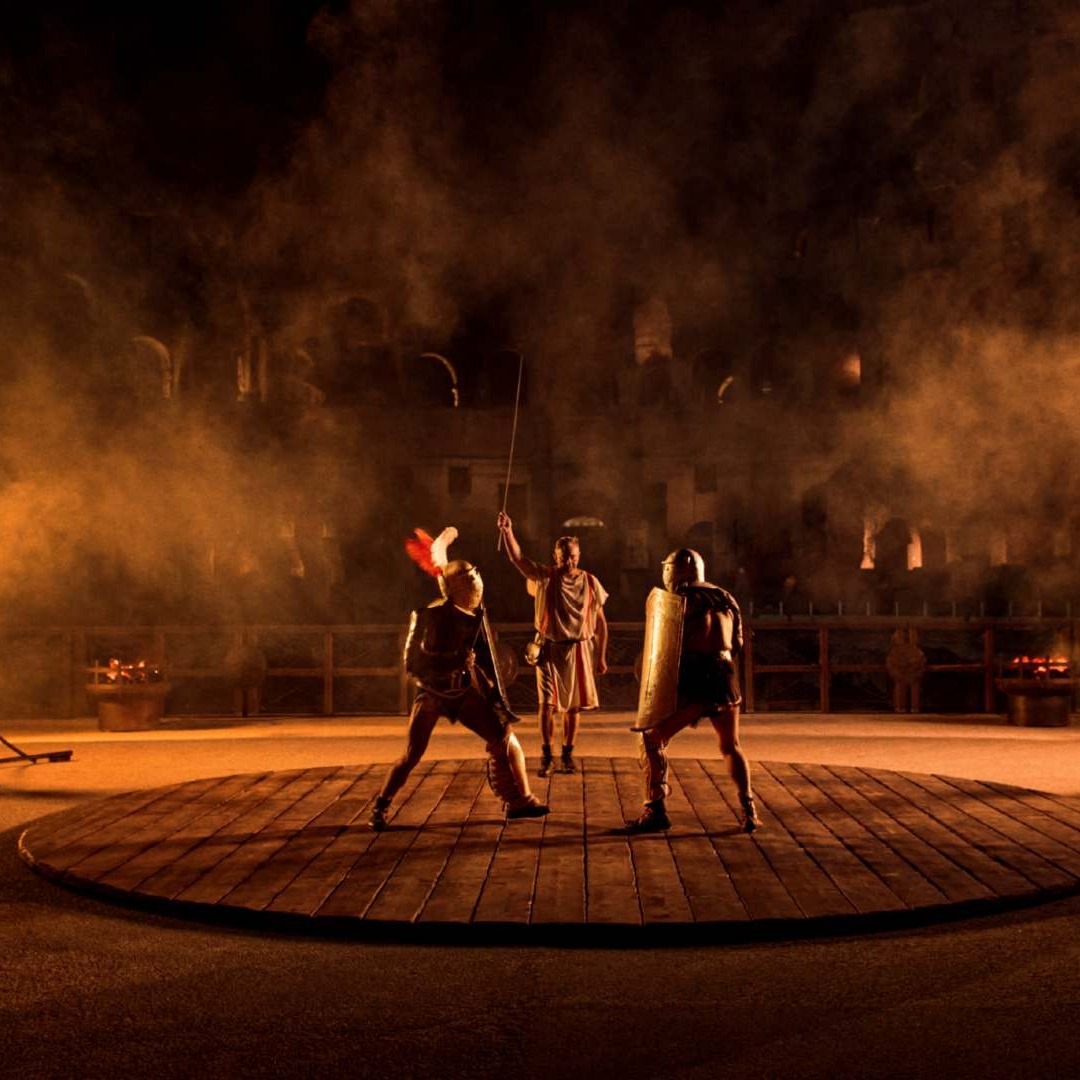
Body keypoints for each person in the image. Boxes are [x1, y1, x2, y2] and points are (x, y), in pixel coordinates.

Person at [369, 528, 548, 830]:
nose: (474, 579)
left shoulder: (475, 615)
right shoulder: (427, 616)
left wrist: (493, 691)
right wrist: (453, 661)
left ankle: (518, 799)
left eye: (473, 574)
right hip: (432, 693)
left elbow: (486, 658)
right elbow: (412, 663)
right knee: (412, 755)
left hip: (464, 690)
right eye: (467, 576)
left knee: (504, 737)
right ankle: (381, 805)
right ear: (453, 585)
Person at [626, 547, 761, 834]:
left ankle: (655, 810)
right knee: (731, 746)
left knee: (652, 739)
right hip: (725, 677)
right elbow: (736, 643)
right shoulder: (727, 598)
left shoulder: (677, 601)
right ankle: (749, 810)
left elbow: (668, 649)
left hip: (698, 680)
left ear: (674, 571)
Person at [496, 511, 608, 777]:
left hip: (579, 649)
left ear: (578, 556)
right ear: (555, 556)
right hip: (548, 648)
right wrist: (507, 531)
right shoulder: (545, 577)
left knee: (573, 706)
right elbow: (518, 559)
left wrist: (601, 656)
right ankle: (547, 755)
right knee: (546, 704)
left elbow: (601, 622)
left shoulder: (591, 582)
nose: (569, 560)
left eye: (573, 556)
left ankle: (567, 755)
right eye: (564, 556)